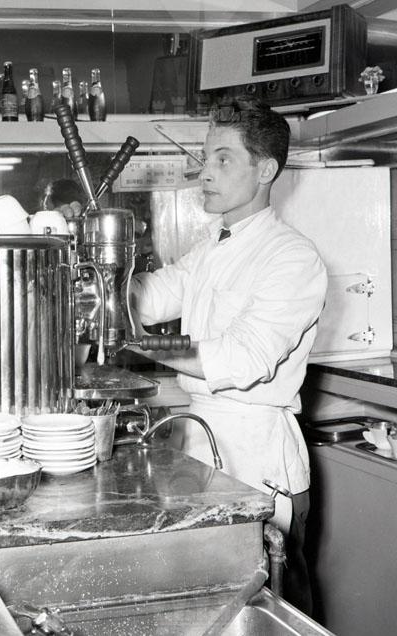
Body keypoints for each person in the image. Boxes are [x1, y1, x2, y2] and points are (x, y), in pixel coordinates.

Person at [129, 98, 328, 614]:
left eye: (223, 159)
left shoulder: (292, 257)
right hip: (202, 452)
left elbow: (241, 357)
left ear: (265, 170)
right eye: (205, 158)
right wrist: (101, 277)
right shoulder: (211, 247)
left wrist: (145, 344)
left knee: (270, 612)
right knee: (210, 608)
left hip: (258, 463)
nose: (205, 173)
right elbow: (150, 297)